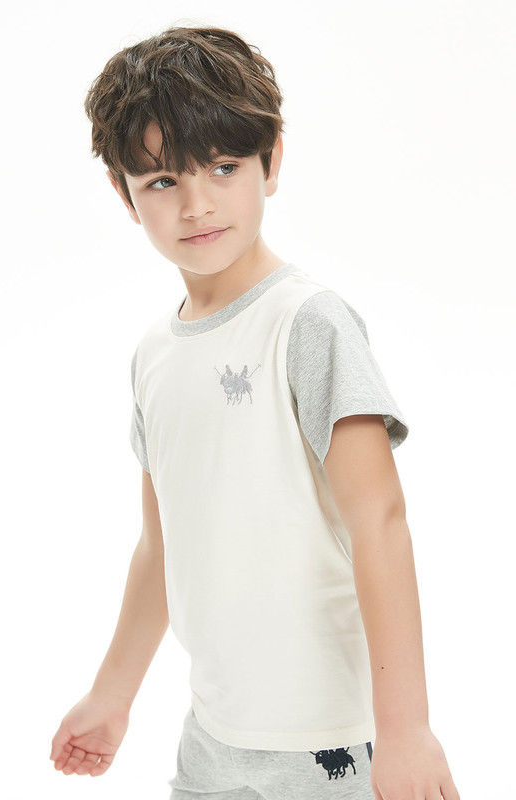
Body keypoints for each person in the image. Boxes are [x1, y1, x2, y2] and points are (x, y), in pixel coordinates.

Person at [49, 24, 460, 800]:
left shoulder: (308, 324)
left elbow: (379, 521)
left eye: (223, 167)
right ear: (122, 193)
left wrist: (406, 730)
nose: (196, 205)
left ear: (270, 161)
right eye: (161, 181)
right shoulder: (154, 355)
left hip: (330, 743)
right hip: (212, 738)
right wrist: (112, 695)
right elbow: (161, 545)